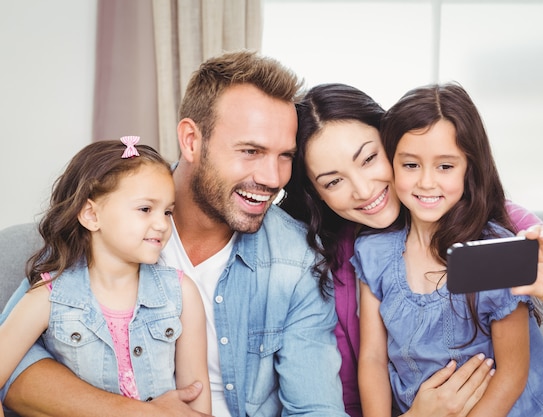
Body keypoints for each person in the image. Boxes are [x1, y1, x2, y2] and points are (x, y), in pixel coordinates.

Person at [1, 51, 348, 417]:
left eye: (284, 156)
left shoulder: (297, 259)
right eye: (251, 150)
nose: (273, 178)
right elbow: (15, 367)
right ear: (192, 140)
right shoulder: (113, 217)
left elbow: (316, 408)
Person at [281, 83, 543, 417]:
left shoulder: (494, 238)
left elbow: (516, 368)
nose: (363, 190)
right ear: (315, 192)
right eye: (333, 181)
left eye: (369, 158)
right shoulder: (363, 252)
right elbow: (370, 362)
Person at [352, 82, 543, 417]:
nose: (426, 182)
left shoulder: (494, 250)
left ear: (469, 168)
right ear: (391, 163)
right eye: (411, 165)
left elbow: (512, 374)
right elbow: (372, 359)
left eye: (445, 166)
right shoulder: (373, 252)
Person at [0, 138, 212, 416]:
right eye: (145, 209)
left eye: (168, 211)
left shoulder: (181, 292)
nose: (162, 224)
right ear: (91, 215)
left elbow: (196, 400)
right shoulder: (48, 297)